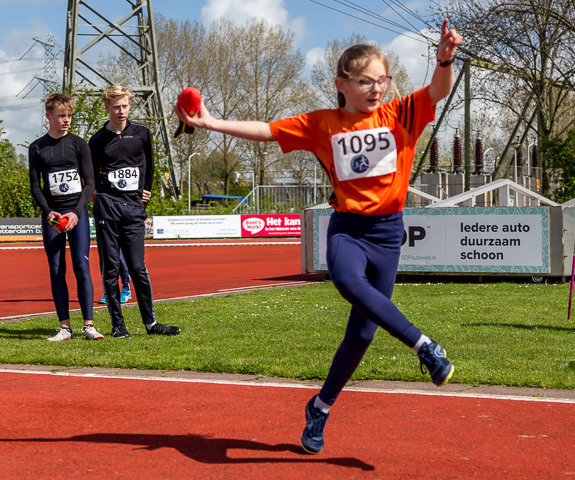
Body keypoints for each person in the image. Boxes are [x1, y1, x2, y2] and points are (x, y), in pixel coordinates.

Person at [176, 19, 462, 454]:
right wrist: (213, 123)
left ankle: (321, 407)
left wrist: (444, 58)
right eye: (366, 81)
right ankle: (424, 346)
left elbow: (439, 90)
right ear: (342, 84)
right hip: (349, 229)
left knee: (363, 335)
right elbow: (267, 129)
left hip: (387, 233)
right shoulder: (323, 124)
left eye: (382, 80)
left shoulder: (400, 113)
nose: (376, 89)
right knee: (347, 282)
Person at [89, 85, 180, 339]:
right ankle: (118, 325)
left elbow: (149, 165)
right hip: (107, 208)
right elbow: (91, 176)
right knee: (111, 267)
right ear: (107, 107)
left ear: (130, 106)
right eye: (116, 106)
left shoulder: (141, 133)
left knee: (138, 267)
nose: (121, 111)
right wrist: (97, 198)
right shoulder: (97, 141)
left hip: (134, 210)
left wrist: (147, 190)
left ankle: (151, 324)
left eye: (125, 106)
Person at [28, 93, 104, 341]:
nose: (66, 120)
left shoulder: (79, 144)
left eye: (69, 115)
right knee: (56, 268)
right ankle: (64, 327)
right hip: (52, 218)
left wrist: (76, 212)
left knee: (82, 266)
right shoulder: (37, 147)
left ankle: (89, 325)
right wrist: (49, 212)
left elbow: (90, 181)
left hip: (77, 215)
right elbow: (35, 186)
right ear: (48, 115)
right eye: (61, 115)